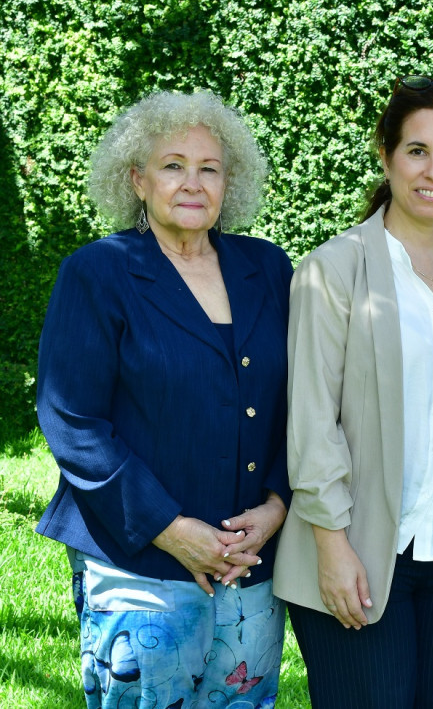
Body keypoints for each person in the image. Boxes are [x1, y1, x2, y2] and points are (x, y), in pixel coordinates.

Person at [36, 89, 292, 709]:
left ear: (229, 183)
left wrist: (280, 504)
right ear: (137, 180)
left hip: (248, 563)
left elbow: (303, 400)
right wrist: (172, 531)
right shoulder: (99, 271)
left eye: (209, 168)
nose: (192, 182)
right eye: (173, 165)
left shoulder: (269, 268)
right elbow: (72, 420)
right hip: (138, 563)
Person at [273, 75, 433, 708]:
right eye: (417, 150)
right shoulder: (334, 267)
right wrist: (332, 545)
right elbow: (311, 417)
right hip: (364, 549)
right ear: (386, 154)